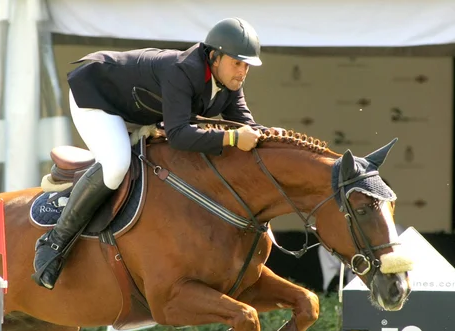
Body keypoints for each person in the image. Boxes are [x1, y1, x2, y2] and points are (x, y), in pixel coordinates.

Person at [32, 17, 282, 290]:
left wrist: (273, 135)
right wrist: (233, 137)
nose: (242, 71)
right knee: (116, 164)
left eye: (247, 65)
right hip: (97, 97)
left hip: (136, 109)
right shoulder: (183, 70)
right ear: (214, 56)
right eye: (237, 63)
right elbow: (179, 135)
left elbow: (246, 124)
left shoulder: (229, 84)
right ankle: (54, 241)